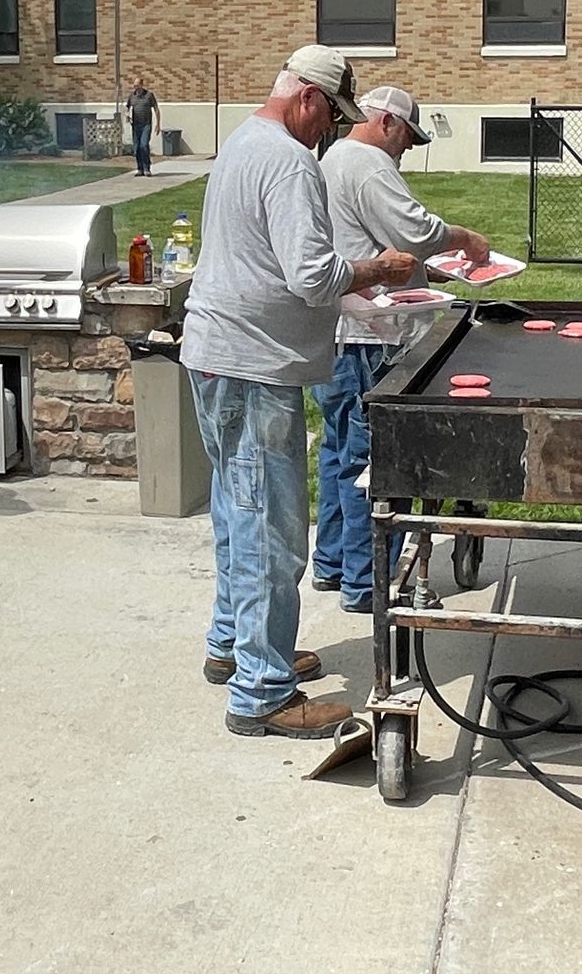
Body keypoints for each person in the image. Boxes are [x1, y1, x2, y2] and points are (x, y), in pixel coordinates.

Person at [182, 46, 417, 740]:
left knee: (236, 509)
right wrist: (380, 268)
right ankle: (262, 690)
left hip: (220, 356)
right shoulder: (287, 159)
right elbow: (313, 276)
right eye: (330, 118)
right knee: (270, 530)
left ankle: (238, 647)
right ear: (308, 99)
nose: (331, 133)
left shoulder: (243, 142)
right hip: (254, 367)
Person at [311, 86, 490, 614]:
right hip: (370, 334)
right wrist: (465, 239)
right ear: (387, 122)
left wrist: (431, 270)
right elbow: (414, 231)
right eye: (407, 138)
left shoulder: (334, 158)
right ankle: (366, 582)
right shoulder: (367, 162)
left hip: (339, 328)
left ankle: (333, 563)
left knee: (338, 450)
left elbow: (375, 245)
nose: (407, 149)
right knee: (373, 460)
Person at [126, 73, 161, 177]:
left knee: (144, 145)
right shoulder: (132, 96)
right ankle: (140, 168)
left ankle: (147, 168)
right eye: (134, 85)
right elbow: (127, 107)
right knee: (137, 148)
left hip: (146, 125)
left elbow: (156, 109)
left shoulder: (149, 95)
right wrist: (127, 114)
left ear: (141, 85)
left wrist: (158, 124)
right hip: (135, 125)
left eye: (137, 85)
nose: (135, 87)